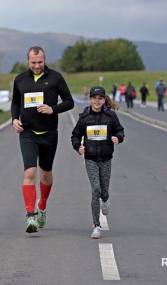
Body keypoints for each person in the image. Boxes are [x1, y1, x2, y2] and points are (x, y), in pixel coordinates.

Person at [11, 46, 74, 233]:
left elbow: (69, 101)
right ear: (27, 61)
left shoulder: (55, 78)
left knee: (45, 174)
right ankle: (31, 217)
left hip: (49, 133)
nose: (37, 66)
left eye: (40, 62)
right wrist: (14, 119)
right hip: (27, 133)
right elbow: (15, 102)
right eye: (33, 62)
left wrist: (52, 109)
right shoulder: (20, 79)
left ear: (45, 59)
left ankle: (42, 205)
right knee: (30, 173)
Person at [71, 86, 125, 239]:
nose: (97, 100)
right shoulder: (84, 117)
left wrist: (118, 138)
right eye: (94, 98)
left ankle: (106, 200)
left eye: (100, 98)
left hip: (106, 158)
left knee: (104, 191)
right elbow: (75, 136)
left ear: (104, 100)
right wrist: (78, 146)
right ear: (90, 99)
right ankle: (96, 225)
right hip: (90, 159)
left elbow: (120, 131)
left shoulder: (110, 116)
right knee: (96, 190)